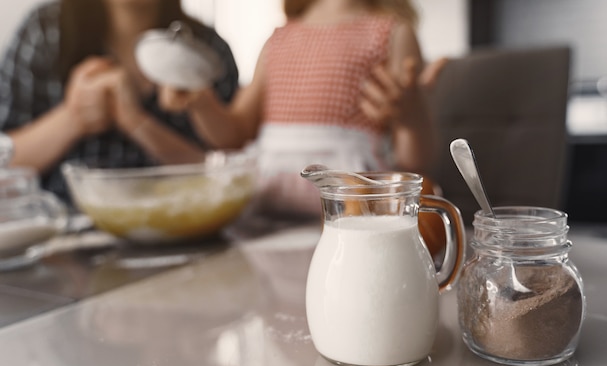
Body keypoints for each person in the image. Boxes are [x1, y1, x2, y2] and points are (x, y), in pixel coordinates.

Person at [160, 0, 447, 252]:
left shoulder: (392, 33)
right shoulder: (279, 38)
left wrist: (411, 115)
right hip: (266, 213)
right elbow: (233, 134)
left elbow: (415, 162)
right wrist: (200, 102)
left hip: (352, 214)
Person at [0, 0, 238, 203]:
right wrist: (72, 118)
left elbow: (227, 175)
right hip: (65, 226)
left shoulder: (208, 56)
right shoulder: (45, 32)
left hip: (185, 219)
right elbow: (6, 161)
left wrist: (135, 121)